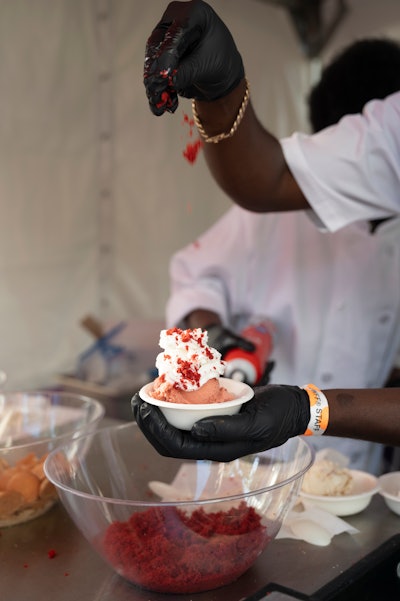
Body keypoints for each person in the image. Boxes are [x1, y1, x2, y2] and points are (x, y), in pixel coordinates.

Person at [134, 0, 400, 462]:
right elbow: (197, 275)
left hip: (355, 466)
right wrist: (211, 331)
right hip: (254, 456)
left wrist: (309, 409)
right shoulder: (272, 216)